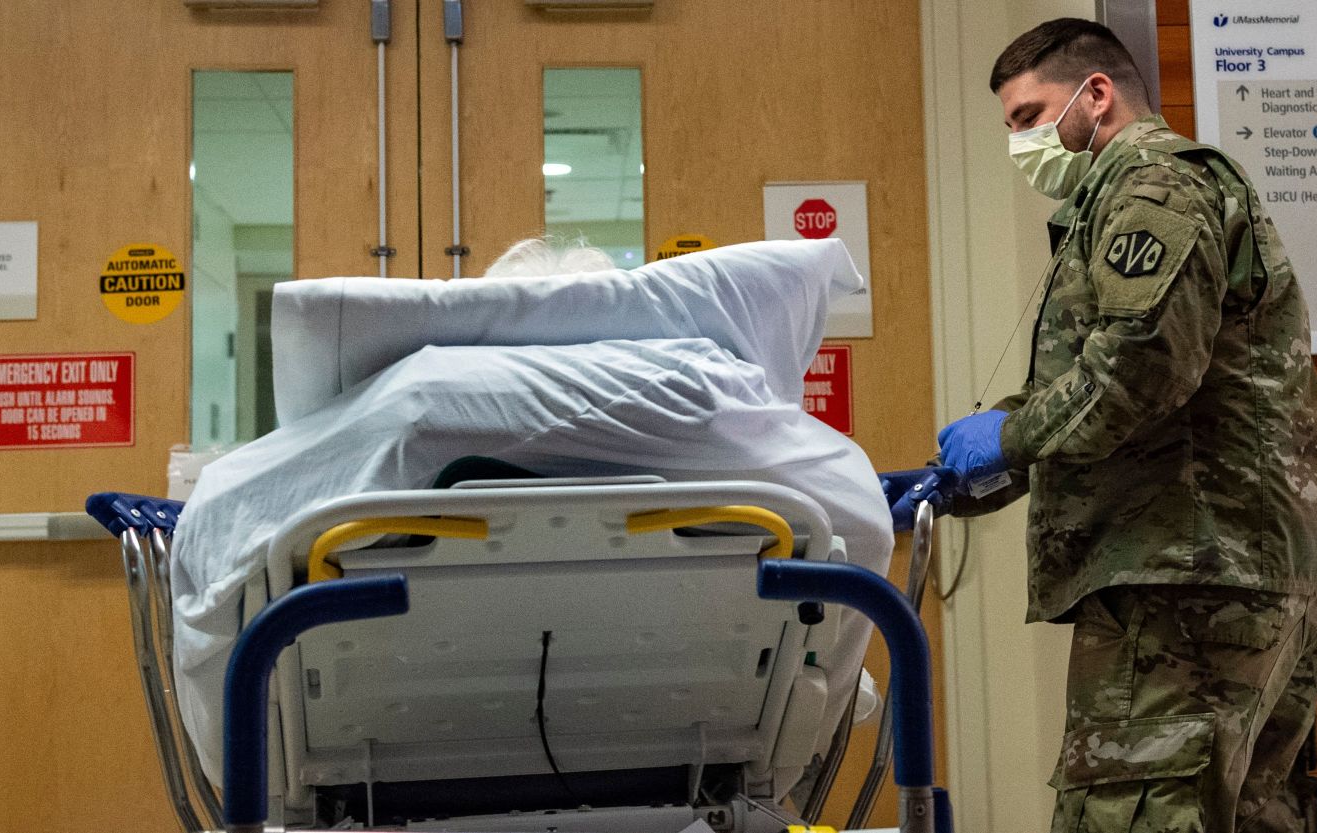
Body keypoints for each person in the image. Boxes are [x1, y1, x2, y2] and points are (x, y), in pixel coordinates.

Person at [170, 237, 892, 788]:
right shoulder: (724, 422)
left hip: (374, 773)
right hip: (700, 763)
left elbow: (214, 545)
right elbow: (861, 531)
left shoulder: (411, 400)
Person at [934, 19, 1317, 833]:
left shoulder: (1153, 187)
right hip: (1231, 570)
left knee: (1133, 814)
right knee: (1253, 814)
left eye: (1028, 117)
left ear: (1097, 94)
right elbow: (1130, 383)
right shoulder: (1135, 194)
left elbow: (1140, 369)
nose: (1021, 144)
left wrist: (1008, 441)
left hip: (1186, 583)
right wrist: (976, 469)